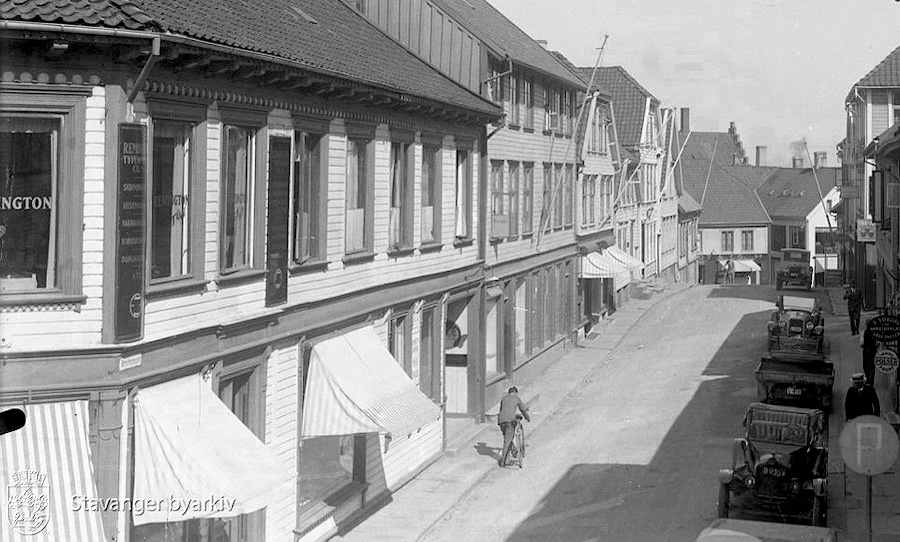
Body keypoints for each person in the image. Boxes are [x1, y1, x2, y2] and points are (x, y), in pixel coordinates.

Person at [497, 386, 530, 466]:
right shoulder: (516, 398)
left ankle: (514, 450)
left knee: (507, 437)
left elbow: (502, 410)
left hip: (501, 420)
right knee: (507, 441)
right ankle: (503, 461)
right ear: (515, 393)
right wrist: (527, 417)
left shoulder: (503, 398)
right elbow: (522, 409)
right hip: (510, 421)